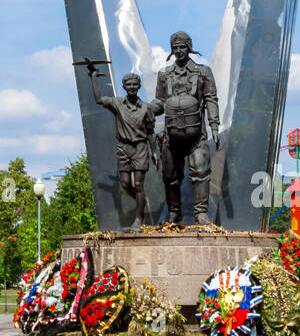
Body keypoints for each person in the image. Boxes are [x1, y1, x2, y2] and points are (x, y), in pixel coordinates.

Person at [154, 31, 219, 224]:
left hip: (196, 134)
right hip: (171, 134)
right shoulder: (164, 74)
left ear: (189, 48)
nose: (179, 51)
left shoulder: (203, 71)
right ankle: (174, 213)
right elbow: (160, 101)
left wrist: (214, 126)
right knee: (170, 176)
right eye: (175, 48)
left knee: (200, 172)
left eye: (182, 47)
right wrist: (146, 109)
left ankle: (201, 213)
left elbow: (210, 99)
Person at [90, 65, 161, 231]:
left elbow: (151, 132)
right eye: (128, 85)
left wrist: (154, 152)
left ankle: (138, 220)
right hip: (123, 148)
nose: (131, 88)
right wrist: (93, 77)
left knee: (138, 184)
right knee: (125, 183)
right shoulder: (117, 103)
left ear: (139, 87)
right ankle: (141, 204)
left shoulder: (146, 108)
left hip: (140, 148)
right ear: (124, 87)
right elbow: (99, 99)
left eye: (135, 85)